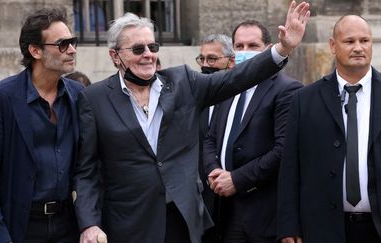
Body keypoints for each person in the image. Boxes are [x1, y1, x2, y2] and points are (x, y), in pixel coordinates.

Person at [74, 1, 310, 243]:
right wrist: (89, 224)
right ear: (115, 55)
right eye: (137, 49)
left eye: (152, 46)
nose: (148, 55)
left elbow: (236, 79)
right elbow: (87, 171)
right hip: (128, 223)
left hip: (183, 221)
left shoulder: (183, 83)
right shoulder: (94, 98)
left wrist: (282, 48)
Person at [0, 8, 82, 243]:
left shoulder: (78, 95)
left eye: (72, 42)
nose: (71, 50)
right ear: (35, 50)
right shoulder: (2, 98)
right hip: (20, 227)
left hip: (68, 225)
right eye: (62, 44)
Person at [277, 15, 381, 243]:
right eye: (349, 41)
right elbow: (290, 167)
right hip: (322, 228)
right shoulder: (304, 100)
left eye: (364, 40)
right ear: (333, 46)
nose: (358, 48)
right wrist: (288, 225)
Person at [203, 20, 303, 243]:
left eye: (252, 46)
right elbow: (210, 137)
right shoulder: (227, 86)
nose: (245, 52)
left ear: (268, 49)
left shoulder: (287, 90)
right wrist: (214, 171)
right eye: (239, 47)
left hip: (261, 211)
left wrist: (236, 179)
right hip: (220, 207)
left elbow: (283, 150)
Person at [195, 33, 235, 243]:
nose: (205, 65)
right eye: (202, 59)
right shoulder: (193, 94)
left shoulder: (239, 96)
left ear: (230, 62)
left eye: (212, 59)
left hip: (234, 198)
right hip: (200, 199)